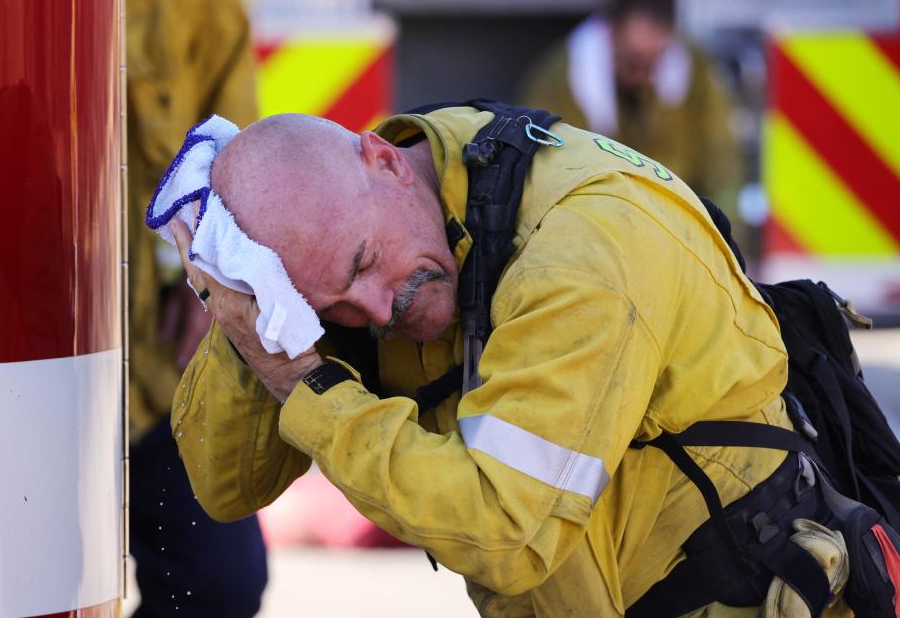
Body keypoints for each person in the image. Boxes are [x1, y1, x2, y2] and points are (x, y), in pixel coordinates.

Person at [164, 105, 847, 616]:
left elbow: (506, 536)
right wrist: (248, 305)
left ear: (386, 161)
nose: (374, 311)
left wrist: (299, 379)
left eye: (365, 263)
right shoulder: (355, 229)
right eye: (329, 303)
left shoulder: (584, 254)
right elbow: (226, 486)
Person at [125, 0, 267, 615]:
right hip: (1, 358)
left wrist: (207, 276)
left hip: (158, 355)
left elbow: (234, 147)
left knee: (215, 585)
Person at [520, 0, 743, 224]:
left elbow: (722, 165)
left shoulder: (695, 72)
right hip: (592, 224)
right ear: (610, 35)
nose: (643, 73)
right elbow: (544, 170)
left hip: (679, 224)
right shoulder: (562, 78)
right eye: (634, 60)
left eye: (654, 60)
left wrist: (725, 237)